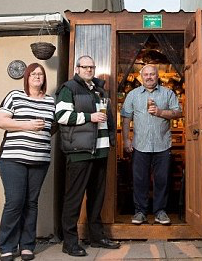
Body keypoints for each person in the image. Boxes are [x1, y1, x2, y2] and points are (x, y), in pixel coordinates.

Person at [55, 55, 121, 257]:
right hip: (79, 152)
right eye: (85, 67)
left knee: (97, 197)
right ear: (77, 69)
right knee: (73, 199)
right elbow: (62, 116)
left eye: (92, 67)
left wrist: (111, 139)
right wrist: (89, 117)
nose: (89, 70)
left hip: (100, 151)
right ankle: (70, 242)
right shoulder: (69, 88)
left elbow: (108, 117)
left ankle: (97, 236)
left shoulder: (99, 90)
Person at [0, 63, 55, 261]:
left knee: (31, 203)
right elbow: (1, 121)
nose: (38, 77)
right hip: (13, 159)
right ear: (27, 78)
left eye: (41, 74)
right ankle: (7, 246)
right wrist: (27, 126)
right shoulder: (15, 96)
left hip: (40, 159)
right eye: (34, 74)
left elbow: (52, 127)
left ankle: (27, 245)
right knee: (14, 202)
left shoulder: (50, 101)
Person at [121, 64, 182, 225]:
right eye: (146, 74)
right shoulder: (132, 95)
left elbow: (178, 112)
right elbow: (126, 119)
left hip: (163, 144)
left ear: (157, 76)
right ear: (141, 77)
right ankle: (140, 212)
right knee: (140, 180)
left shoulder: (168, 93)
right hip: (140, 144)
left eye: (152, 74)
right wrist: (126, 139)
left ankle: (160, 211)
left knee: (162, 180)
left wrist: (160, 112)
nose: (149, 77)